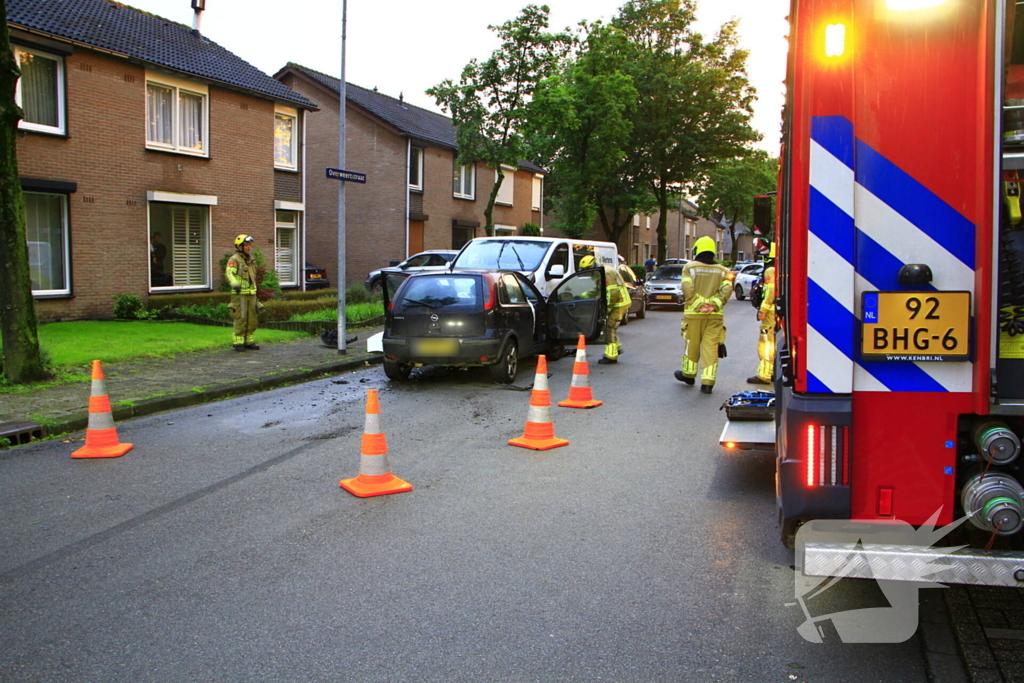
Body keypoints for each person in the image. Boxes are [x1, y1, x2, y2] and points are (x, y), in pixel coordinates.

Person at [674, 236, 733, 394]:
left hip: (694, 315)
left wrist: (700, 305)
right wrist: (713, 304)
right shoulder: (723, 270)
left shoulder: (689, 267)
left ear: (697, 249)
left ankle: (688, 375)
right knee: (711, 348)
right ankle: (707, 382)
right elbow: (727, 289)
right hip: (715, 316)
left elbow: (687, 288)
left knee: (691, 346)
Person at [748, 244, 777, 385]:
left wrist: (763, 310)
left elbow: (770, 292)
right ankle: (771, 372)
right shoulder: (781, 268)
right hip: (778, 312)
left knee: (766, 343)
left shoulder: (770, 270)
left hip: (771, 313)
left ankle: (764, 375)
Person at [226, 234, 259, 351]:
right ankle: (238, 341)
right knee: (241, 317)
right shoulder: (234, 259)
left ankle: (249, 340)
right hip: (240, 295)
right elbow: (230, 273)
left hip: (251, 294)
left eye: (250, 245)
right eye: (246, 245)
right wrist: (235, 285)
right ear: (239, 246)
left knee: (252, 319)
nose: (249, 247)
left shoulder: (251, 260)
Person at [598, 263, 630, 364]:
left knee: (609, 328)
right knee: (612, 327)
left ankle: (611, 356)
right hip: (621, 302)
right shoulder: (605, 271)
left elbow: (613, 293)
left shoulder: (606, 273)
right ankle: (617, 348)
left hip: (619, 303)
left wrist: (607, 308)